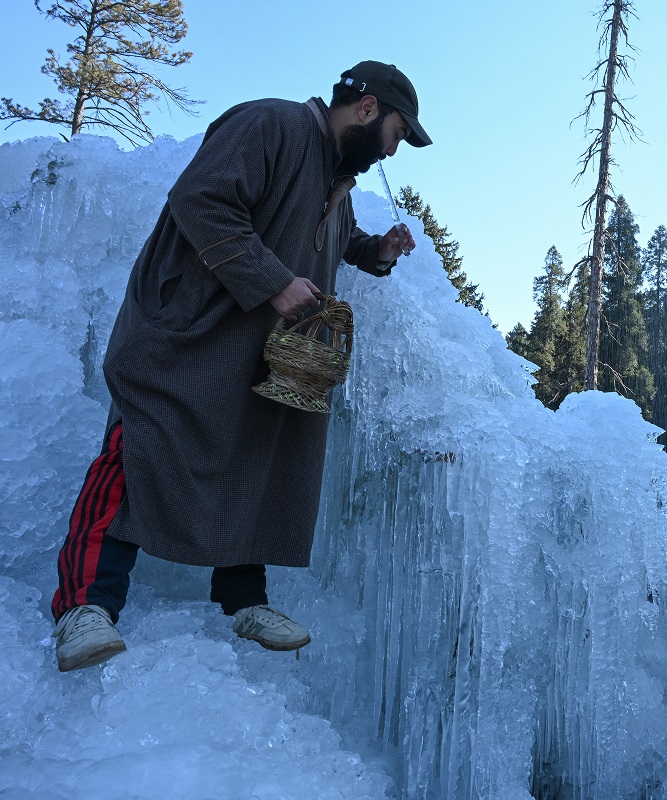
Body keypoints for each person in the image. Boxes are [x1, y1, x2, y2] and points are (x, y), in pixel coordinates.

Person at [49, 61, 432, 672]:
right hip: (182, 335)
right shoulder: (271, 124)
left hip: (249, 350)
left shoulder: (338, 182)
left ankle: (243, 601)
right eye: (396, 133)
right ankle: (84, 608)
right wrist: (275, 283)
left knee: (254, 458)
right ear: (367, 110)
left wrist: (377, 252)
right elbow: (200, 200)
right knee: (137, 450)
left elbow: (335, 239)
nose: (393, 150)